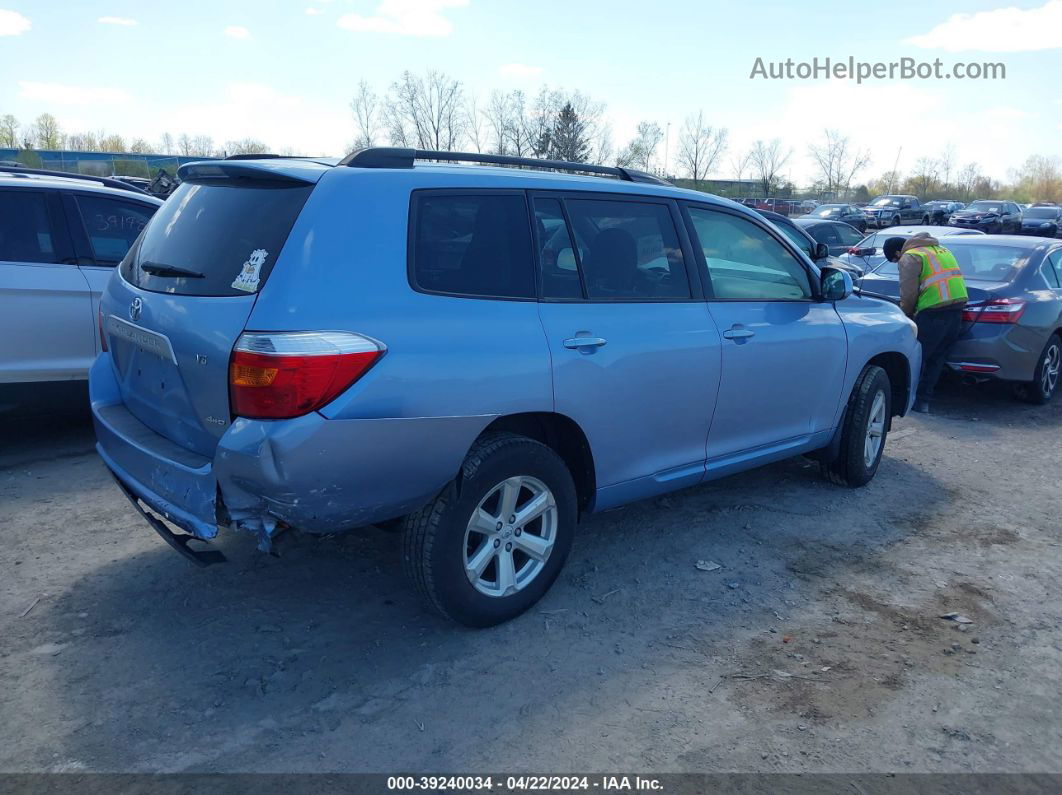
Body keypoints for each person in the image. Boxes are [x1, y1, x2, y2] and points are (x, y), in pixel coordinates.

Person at [883, 232, 968, 414]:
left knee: (917, 358)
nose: (897, 263)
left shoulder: (910, 256)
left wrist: (905, 315)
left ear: (898, 253)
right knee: (937, 358)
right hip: (956, 311)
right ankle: (923, 402)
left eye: (894, 260)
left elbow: (908, 293)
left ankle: (907, 400)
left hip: (933, 312)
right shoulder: (940, 249)